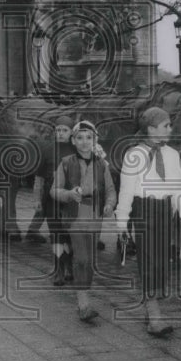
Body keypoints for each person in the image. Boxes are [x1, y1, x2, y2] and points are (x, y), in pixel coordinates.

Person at [115, 107, 181, 337]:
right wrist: (122, 222)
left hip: (164, 210)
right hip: (143, 210)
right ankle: (155, 316)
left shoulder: (172, 154)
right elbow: (126, 191)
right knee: (148, 260)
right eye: (166, 125)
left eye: (170, 125)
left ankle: (151, 307)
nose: (170, 128)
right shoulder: (134, 155)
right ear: (151, 129)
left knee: (161, 260)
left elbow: (180, 187)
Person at [47, 120, 116, 321]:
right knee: (82, 258)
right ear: (73, 141)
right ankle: (83, 303)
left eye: (89, 138)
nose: (85, 142)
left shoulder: (102, 164)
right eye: (80, 138)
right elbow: (54, 190)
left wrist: (110, 204)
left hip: (95, 218)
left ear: (95, 140)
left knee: (91, 261)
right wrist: (68, 194)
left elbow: (111, 190)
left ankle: (84, 293)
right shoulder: (66, 163)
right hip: (74, 217)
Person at [26, 116, 74, 246]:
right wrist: (36, 199)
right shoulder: (47, 149)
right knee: (56, 234)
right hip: (50, 196)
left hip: (72, 197)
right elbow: (39, 178)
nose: (61, 133)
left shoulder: (79, 149)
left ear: (72, 132)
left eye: (65, 130)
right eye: (58, 130)